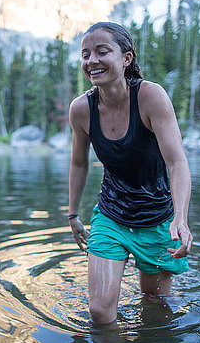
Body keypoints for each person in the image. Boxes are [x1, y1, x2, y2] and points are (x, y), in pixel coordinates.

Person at [68, 21, 193, 325]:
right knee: (99, 313)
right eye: (85, 55)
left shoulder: (151, 97)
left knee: (155, 303)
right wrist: (72, 214)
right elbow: (79, 164)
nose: (91, 61)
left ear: (126, 58)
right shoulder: (81, 109)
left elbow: (177, 163)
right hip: (111, 214)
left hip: (156, 219)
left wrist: (181, 219)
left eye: (101, 51)